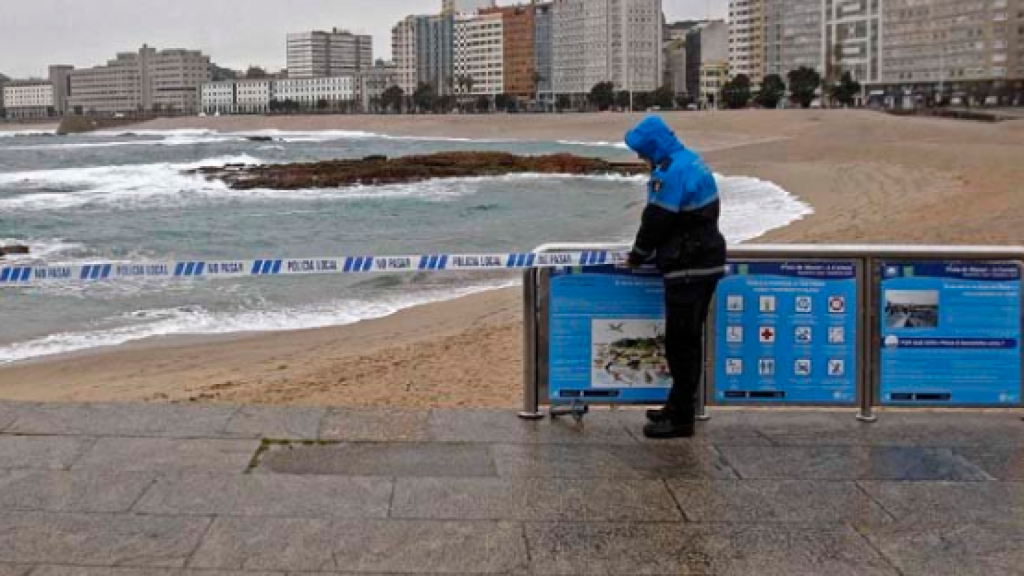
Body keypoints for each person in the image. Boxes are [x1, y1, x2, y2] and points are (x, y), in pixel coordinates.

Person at [623, 116, 727, 439]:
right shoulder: (690, 159)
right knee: (688, 340)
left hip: (688, 266)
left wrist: (637, 254)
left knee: (681, 344)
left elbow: (656, 220)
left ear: (653, 147)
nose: (640, 157)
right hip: (706, 259)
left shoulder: (669, 173)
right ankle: (676, 406)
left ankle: (682, 418)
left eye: (642, 151)